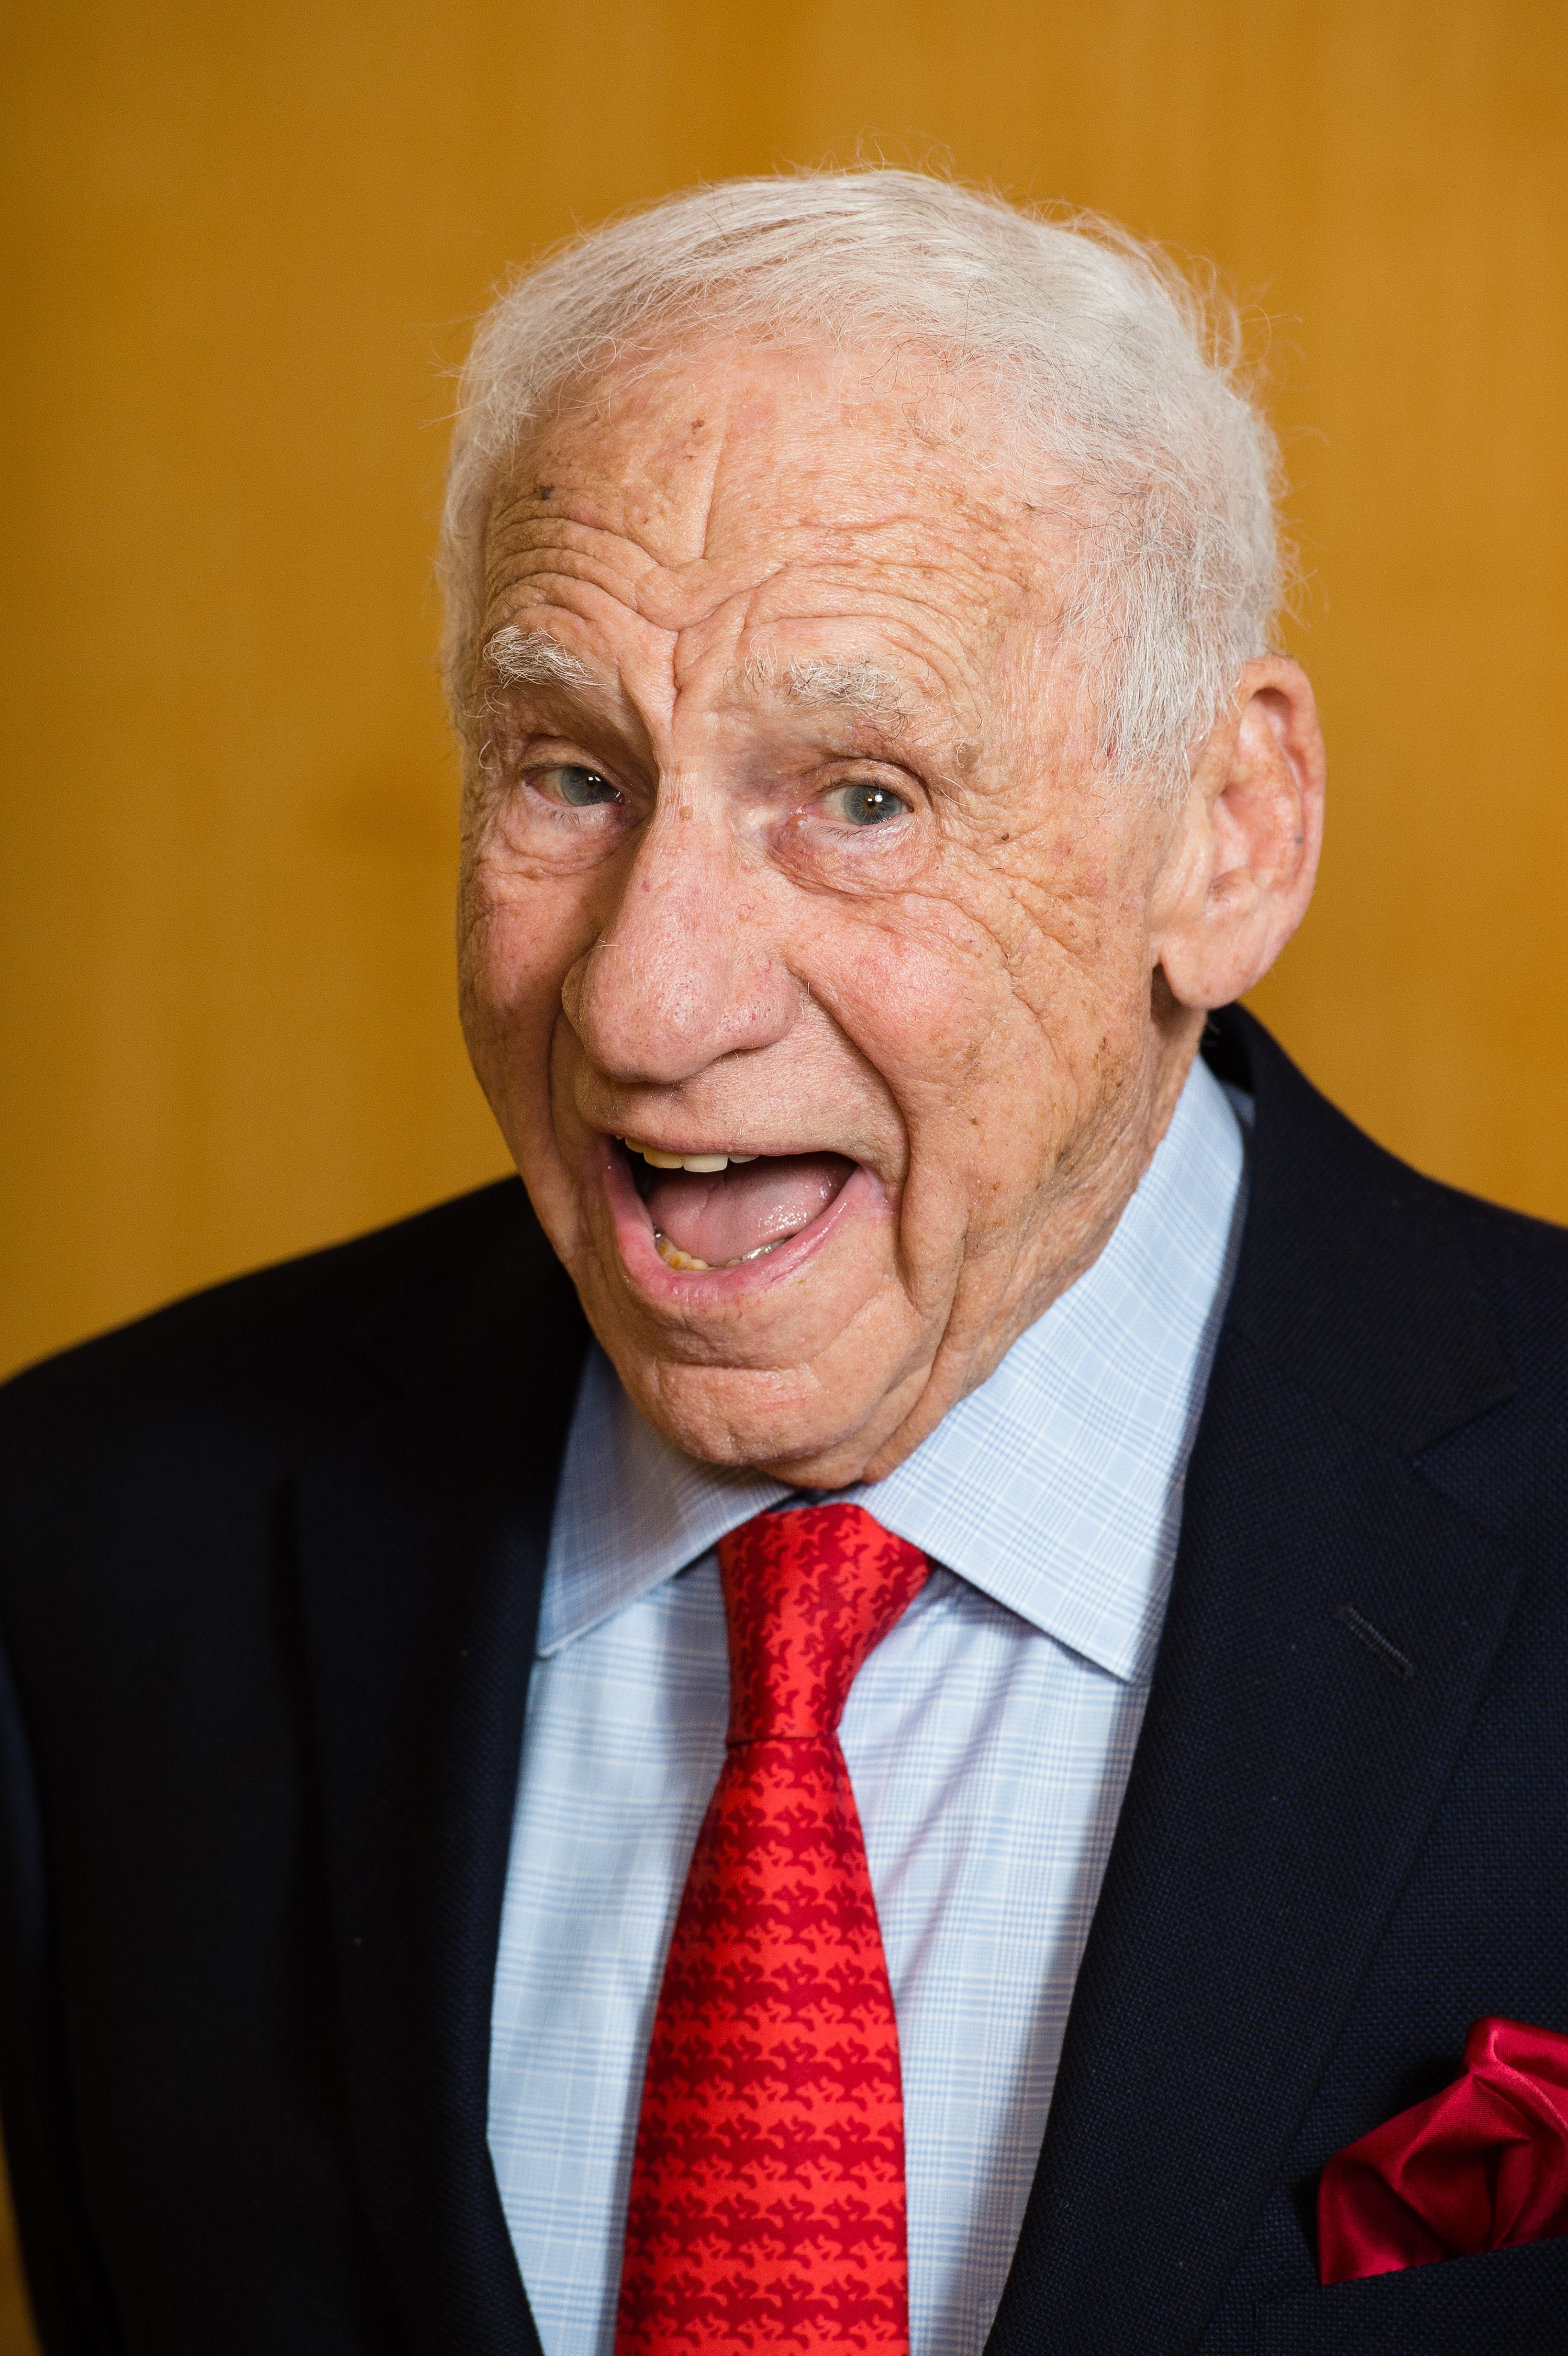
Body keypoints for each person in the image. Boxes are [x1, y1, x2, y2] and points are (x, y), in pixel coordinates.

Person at [1, 172, 1564, 2356]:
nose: (644, 1009)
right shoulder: (89, 1542)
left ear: (1228, 830)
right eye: (570, 772)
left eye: (860, 796)